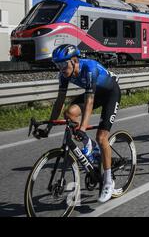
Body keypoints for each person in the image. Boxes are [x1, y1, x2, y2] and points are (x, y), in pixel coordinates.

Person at [48, 44, 121, 203]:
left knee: (102, 138)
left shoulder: (89, 68)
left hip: (110, 94)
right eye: (57, 65)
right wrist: (49, 125)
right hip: (94, 93)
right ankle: (90, 145)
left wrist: (82, 128)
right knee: (69, 113)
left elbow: (89, 102)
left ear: (74, 60)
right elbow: (60, 101)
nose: (60, 69)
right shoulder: (64, 75)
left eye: (63, 64)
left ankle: (108, 181)